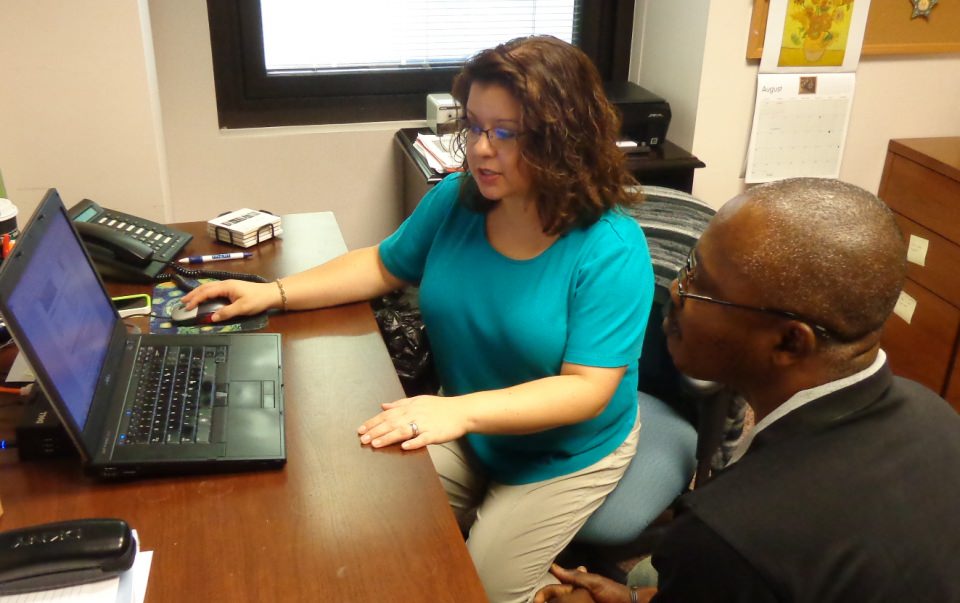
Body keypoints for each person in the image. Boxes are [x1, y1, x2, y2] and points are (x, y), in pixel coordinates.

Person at [183, 36, 655, 603]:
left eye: (505, 133)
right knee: (357, 513)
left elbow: (586, 390)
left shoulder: (611, 248)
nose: (480, 149)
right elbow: (383, 265)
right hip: (471, 425)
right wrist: (275, 292)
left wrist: (457, 411)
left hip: (565, 449)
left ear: (563, 139)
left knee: (474, 590)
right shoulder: (459, 199)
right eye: (475, 126)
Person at [535, 177, 960, 603]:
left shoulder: (726, 534)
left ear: (790, 342)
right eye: (689, 267)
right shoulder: (934, 412)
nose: (677, 293)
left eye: (703, 287)